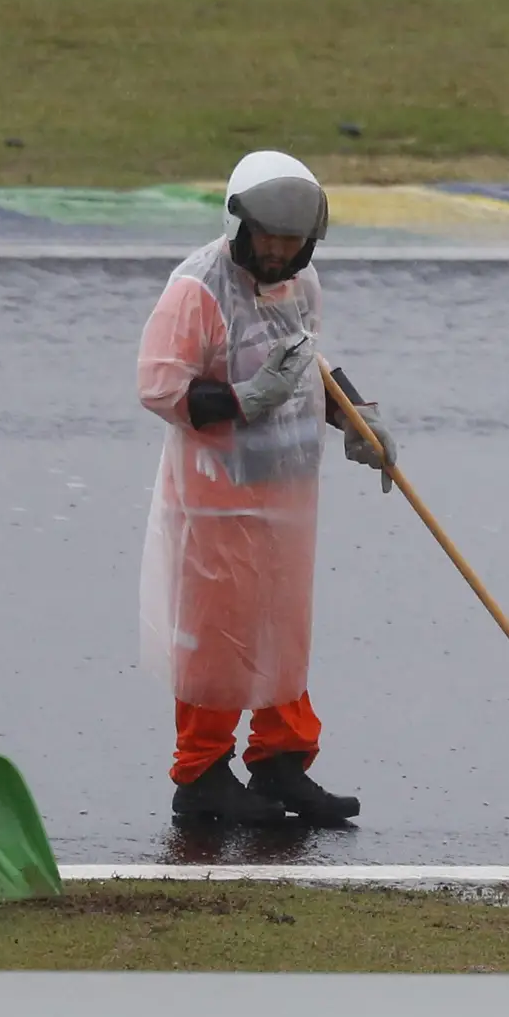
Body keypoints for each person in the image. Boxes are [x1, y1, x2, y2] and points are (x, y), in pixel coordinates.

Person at [135, 149, 393, 829]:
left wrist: (357, 418)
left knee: (283, 628)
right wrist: (246, 398)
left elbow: (313, 366)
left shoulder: (301, 288)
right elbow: (159, 387)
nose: (280, 252)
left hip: (287, 496)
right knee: (218, 638)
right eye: (270, 236)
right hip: (216, 501)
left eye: (293, 240)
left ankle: (281, 759)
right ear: (240, 225)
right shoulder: (197, 289)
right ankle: (201, 773)